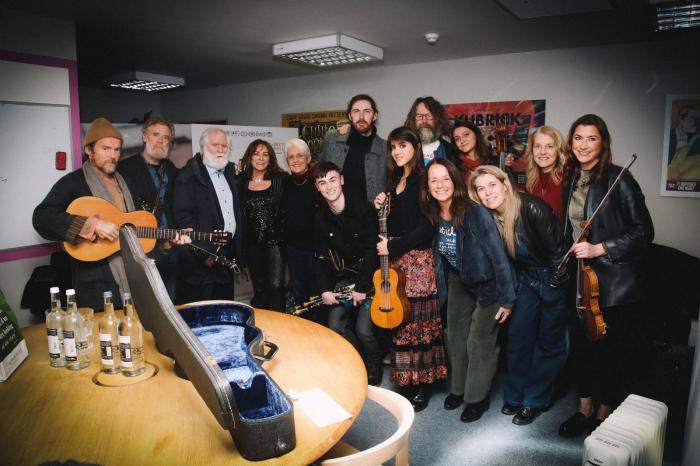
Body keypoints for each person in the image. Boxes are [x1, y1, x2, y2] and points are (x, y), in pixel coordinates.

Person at [558, 114, 654, 438]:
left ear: (603, 143)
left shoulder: (620, 178)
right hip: (580, 280)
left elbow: (644, 231)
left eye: (591, 138)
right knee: (581, 349)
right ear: (571, 143)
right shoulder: (571, 179)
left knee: (609, 353)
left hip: (613, 284)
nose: (584, 145)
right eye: (578, 138)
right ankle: (583, 410)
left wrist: (600, 248)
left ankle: (603, 414)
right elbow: (569, 229)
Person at [33, 118, 189, 310]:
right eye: (105, 149)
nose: (113, 155)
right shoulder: (73, 183)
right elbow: (41, 217)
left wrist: (165, 244)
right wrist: (92, 224)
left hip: (133, 282)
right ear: (89, 151)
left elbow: (133, 235)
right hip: (94, 288)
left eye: (116, 150)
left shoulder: (127, 183)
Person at [469, 165, 568, 425]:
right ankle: (515, 396)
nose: (487, 192)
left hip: (552, 278)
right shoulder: (488, 218)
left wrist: (553, 287)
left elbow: (560, 251)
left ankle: (534, 401)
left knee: (549, 342)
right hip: (526, 279)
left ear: (505, 184)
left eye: (492, 185)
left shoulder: (532, 208)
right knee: (518, 337)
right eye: (481, 189)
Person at [419, 158, 516, 422]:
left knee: (478, 340)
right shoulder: (432, 212)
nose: (440, 185)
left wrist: (507, 299)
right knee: (455, 335)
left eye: (445, 178)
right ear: (427, 186)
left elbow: (498, 256)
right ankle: (459, 389)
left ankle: (477, 398)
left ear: (455, 180)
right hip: (459, 278)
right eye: (434, 180)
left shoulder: (474, 211)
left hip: (489, 284)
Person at [374, 127, 447, 412]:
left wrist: (393, 247)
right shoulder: (395, 180)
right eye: (393, 146)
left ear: (416, 147)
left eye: (403, 145)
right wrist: (381, 207)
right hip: (397, 262)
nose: (397, 151)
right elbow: (395, 224)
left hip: (418, 261)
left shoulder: (422, 178)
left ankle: (424, 384)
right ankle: (407, 379)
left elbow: (428, 227)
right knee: (401, 323)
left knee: (420, 325)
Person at [311, 161, 382, 385]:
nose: (329, 187)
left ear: (341, 180)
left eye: (332, 180)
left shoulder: (363, 209)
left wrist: (361, 288)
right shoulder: (320, 218)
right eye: (323, 183)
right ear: (317, 187)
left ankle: (374, 365)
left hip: (370, 277)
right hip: (345, 276)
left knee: (363, 330)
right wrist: (324, 290)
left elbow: (373, 251)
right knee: (335, 328)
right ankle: (358, 359)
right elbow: (320, 257)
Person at [172, 127, 243, 303]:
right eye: (215, 145)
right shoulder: (187, 176)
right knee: (202, 317)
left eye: (224, 146)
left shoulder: (231, 173)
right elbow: (184, 218)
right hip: (200, 264)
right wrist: (206, 253)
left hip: (225, 260)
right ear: (203, 147)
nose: (220, 150)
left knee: (225, 312)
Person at [118, 117, 180, 301]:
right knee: (143, 304)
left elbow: (175, 206)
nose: (160, 141)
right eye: (155, 135)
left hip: (169, 249)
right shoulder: (124, 169)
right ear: (144, 137)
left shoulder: (171, 170)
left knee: (170, 304)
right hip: (142, 249)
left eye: (166, 137)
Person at [238, 139, 287, 311]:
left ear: (271, 158)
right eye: (256, 154)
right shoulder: (240, 183)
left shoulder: (281, 179)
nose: (261, 158)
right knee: (258, 288)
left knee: (275, 286)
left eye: (265, 154)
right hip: (252, 244)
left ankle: (280, 326)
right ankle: (263, 327)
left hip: (275, 243)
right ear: (249, 157)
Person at [319, 94, 387, 206]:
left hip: (370, 217)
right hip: (334, 215)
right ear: (350, 116)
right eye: (356, 111)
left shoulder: (385, 148)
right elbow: (319, 173)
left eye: (367, 111)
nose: (361, 117)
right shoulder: (332, 139)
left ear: (375, 115)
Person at [281, 138, 318, 315]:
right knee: (299, 294)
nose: (295, 160)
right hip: (294, 249)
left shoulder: (318, 181)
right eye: (291, 157)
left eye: (299, 156)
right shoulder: (286, 183)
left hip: (316, 249)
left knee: (316, 295)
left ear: (308, 158)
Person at [523, 126, 568, 223]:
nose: (543, 152)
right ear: (532, 150)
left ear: (558, 150)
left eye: (550, 146)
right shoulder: (531, 179)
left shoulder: (568, 177)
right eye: (537, 146)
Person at [404, 96, 458, 166]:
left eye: (429, 115)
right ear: (413, 120)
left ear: (438, 119)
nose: (424, 121)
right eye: (419, 116)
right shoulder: (403, 149)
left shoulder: (451, 150)